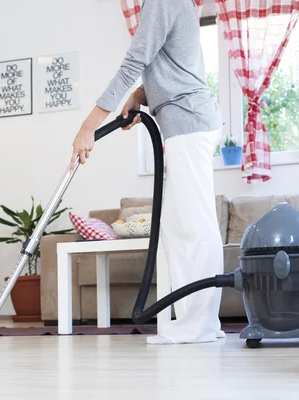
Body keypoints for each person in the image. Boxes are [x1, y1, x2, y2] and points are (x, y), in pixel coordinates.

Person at [70, 0, 225, 344]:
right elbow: (173, 62)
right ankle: (189, 321)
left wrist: (88, 126)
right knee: (173, 227)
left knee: (195, 227)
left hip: (189, 122)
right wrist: (140, 95)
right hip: (185, 122)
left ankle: (199, 325)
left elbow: (133, 62)